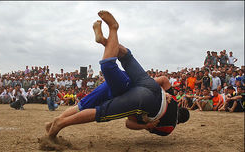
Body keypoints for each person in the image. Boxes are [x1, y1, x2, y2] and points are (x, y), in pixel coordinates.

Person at [45, 11, 189, 140]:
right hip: (140, 97)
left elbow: (163, 79)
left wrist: (163, 92)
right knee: (100, 109)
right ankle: (61, 123)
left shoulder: (174, 100)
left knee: (126, 57)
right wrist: (146, 125)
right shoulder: (168, 129)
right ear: (179, 122)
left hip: (148, 85)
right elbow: (130, 122)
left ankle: (105, 41)